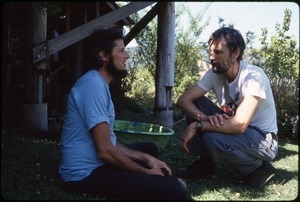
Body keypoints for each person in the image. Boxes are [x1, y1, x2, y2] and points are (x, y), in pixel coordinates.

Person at [58, 27, 189, 200]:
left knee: (149, 149)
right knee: (177, 189)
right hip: (83, 175)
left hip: (99, 162)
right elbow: (105, 150)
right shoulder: (93, 86)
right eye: (121, 50)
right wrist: (146, 173)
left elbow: (109, 142)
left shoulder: (98, 83)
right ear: (103, 55)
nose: (126, 55)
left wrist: (146, 158)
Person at [175, 27, 278, 188]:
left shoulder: (253, 76)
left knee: (212, 138)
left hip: (263, 139)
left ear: (235, 53)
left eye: (218, 52)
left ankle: (259, 169)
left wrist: (198, 125)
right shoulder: (215, 73)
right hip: (238, 130)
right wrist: (204, 117)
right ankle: (205, 164)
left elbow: (240, 124)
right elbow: (184, 100)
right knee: (197, 103)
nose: (211, 57)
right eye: (210, 52)